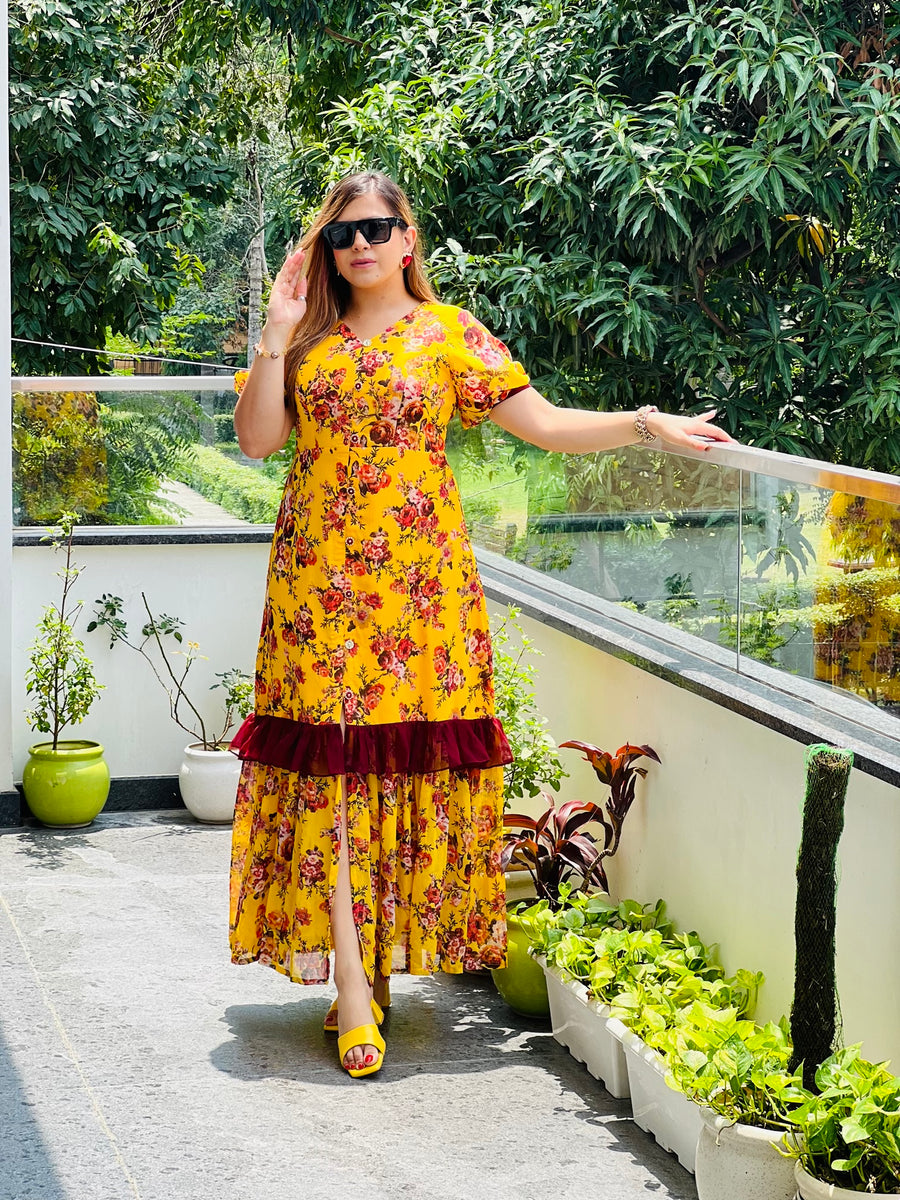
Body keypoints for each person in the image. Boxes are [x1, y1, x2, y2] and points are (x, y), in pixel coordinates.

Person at [228, 170, 734, 1079]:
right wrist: (271, 334)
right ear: (325, 250)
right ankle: (352, 985)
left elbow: (540, 424)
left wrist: (646, 425)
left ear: (409, 239)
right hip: (317, 585)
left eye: (379, 227)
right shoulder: (303, 340)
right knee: (331, 779)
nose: (362, 246)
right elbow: (259, 442)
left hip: (423, 591)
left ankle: (372, 964)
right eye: (343, 234)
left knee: (398, 768)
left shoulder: (450, 333)